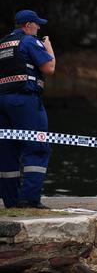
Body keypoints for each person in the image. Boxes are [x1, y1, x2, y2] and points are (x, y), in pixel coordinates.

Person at [0, 10, 56, 209]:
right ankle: (29, 199)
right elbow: (49, 67)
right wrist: (48, 48)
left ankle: (11, 200)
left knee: (7, 150)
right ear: (28, 25)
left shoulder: (3, 43)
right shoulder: (30, 41)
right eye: (37, 24)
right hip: (25, 101)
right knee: (37, 147)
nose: (39, 28)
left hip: (2, 101)